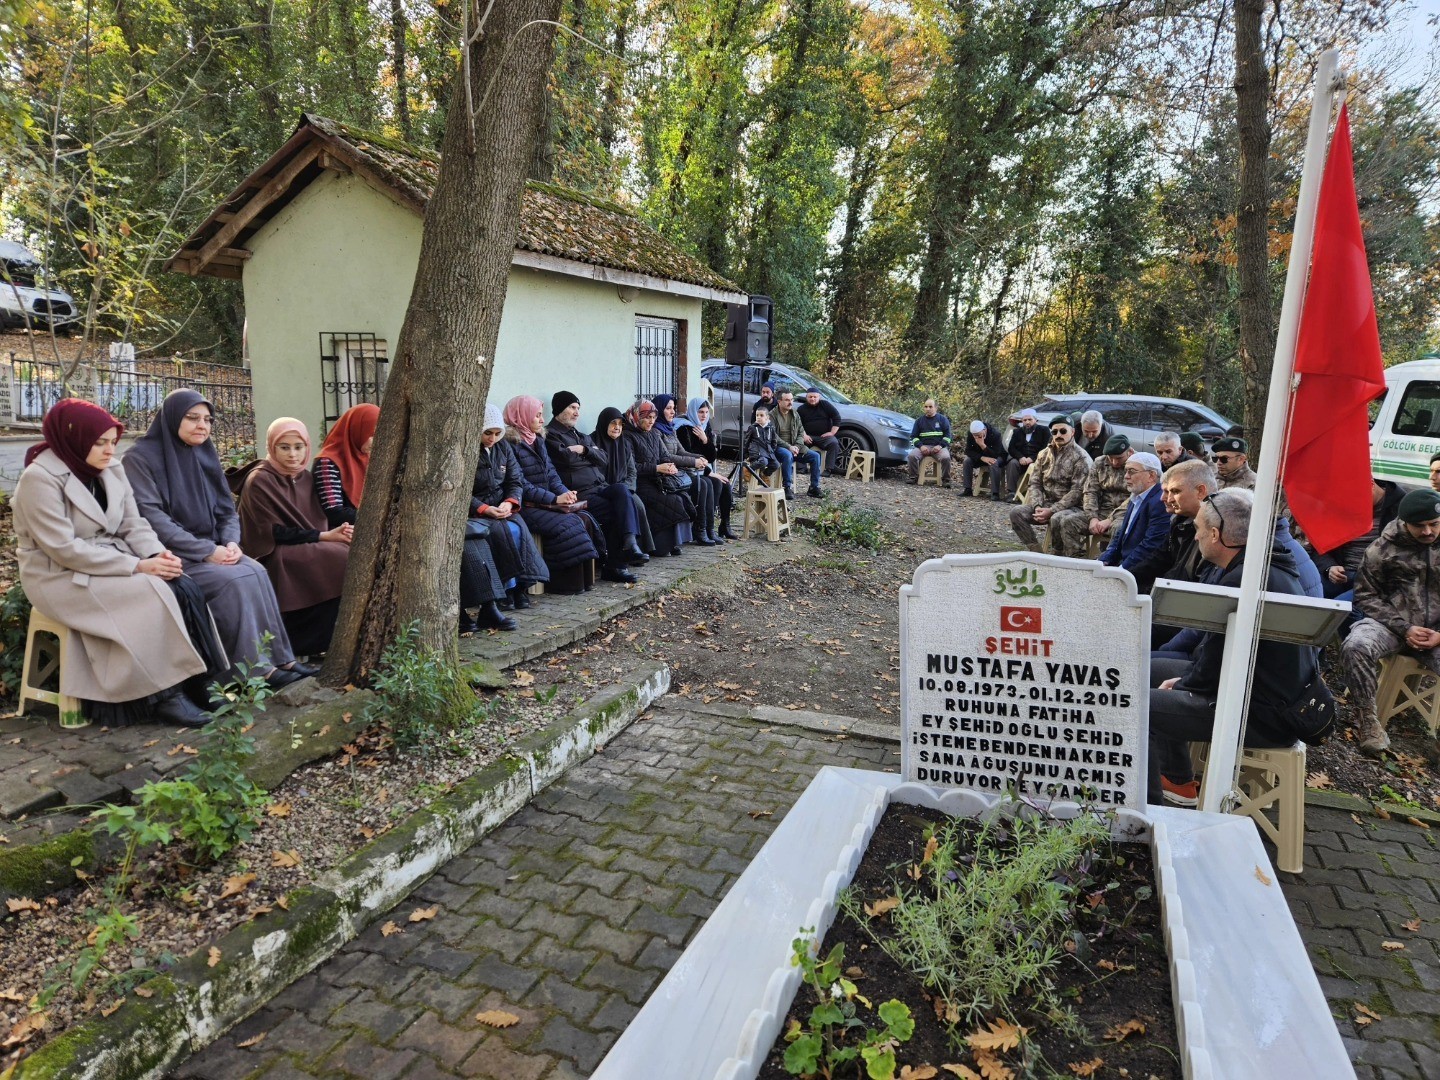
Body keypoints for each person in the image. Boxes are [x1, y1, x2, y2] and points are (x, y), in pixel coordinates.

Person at [12, 399, 224, 727]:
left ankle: (200, 680)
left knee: (182, 584)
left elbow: (132, 524)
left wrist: (156, 554)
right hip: (58, 577)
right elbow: (64, 550)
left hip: (112, 560)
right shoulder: (38, 480)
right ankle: (164, 697)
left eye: (113, 441)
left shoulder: (111, 468)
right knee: (150, 591)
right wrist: (137, 567)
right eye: (99, 442)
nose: (109, 450)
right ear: (74, 438)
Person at [125, 389, 312, 688]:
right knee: (235, 581)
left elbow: (227, 508)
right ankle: (251, 672)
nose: (202, 426)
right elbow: (152, 518)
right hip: (172, 554)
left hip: (216, 548)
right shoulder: (140, 459)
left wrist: (231, 543)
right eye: (193, 418)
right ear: (173, 417)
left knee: (256, 571)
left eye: (208, 419)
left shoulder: (204, 452)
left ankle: (280, 658)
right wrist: (206, 551)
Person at [1147, 489, 1319, 806]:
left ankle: (1149, 813)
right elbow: (1215, 657)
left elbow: (1211, 664)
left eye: (1199, 529)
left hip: (1259, 712)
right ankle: (1179, 781)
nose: (1195, 536)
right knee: (1146, 668)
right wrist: (1186, 681)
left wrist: (1184, 685)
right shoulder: (1261, 565)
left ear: (1215, 534)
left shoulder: (1244, 579)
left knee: (1137, 705)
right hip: (1255, 690)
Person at [237, 418, 351, 656]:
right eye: (284, 447)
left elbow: (319, 517)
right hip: (273, 550)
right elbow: (271, 532)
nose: (293, 455)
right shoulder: (260, 479)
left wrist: (338, 533)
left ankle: (325, 640)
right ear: (271, 447)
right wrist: (323, 537)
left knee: (348, 553)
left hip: (310, 542)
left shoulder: (305, 478)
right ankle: (303, 643)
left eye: (298, 447)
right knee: (337, 558)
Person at [1340, 489, 1440, 757]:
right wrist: (1404, 627)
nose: (1429, 531)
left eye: (1434, 524)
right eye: (1420, 526)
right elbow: (1365, 595)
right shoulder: (1382, 549)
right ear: (1405, 523)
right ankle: (1368, 721)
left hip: (1437, 631)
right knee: (1356, 645)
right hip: (1392, 626)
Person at [503, 395, 606, 592]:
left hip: (545, 502)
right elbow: (520, 484)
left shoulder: (538, 440)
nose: (542, 420)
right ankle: (563, 584)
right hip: (525, 506)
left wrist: (565, 493)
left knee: (583, 518)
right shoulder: (510, 444)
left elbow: (551, 474)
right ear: (521, 416)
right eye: (537, 416)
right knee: (567, 523)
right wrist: (554, 498)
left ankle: (583, 581)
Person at [545, 391, 642, 581]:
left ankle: (630, 542)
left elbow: (603, 459)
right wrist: (591, 456)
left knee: (622, 491)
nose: (577, 413)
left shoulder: (579, 435)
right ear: (559, 410)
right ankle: (617, 565)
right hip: (579, 492)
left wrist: (584, 450)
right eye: (572, 407)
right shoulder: (551, 435)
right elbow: (566, 459)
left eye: (578, 408)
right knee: (617, 509)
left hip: (600, 486)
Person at [471, 403, 550, 608]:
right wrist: (483, 508)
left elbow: (514, 481)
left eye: (498, 433)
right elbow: (461, 492)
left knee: (520, 530)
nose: (492, 439)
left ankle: (520, 586)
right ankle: (506, 588)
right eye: (488, 433)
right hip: (479, 511)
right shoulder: (468, 450)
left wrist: (509, 502)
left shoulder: (503, 446)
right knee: (501, 533)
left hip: (502, 507)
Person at [1008, 415, 1091, 554]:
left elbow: (1077, 491)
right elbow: (1034, 483)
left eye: (1063, 431)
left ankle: (1057, 554)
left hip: (1074, 508)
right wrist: (1038, 506)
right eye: (1054, 432)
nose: (1058, 435)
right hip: (1047, 504)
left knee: (1057, 518)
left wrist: (1052, 510)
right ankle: (1036, 552)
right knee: (1016, 513)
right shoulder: (1043, 454)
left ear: (1073, 432)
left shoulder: (1081, 457)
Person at [623, 399, 695, 556]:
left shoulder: (653, 434)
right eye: (647, 417)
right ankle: (660, 546)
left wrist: (669, 466)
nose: (651, 422)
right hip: (640, 483)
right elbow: (632, 467)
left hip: (657, 480)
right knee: (669, 501)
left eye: (654, 418)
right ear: (636, 416)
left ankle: (672, 542)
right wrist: (656, 468)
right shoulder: (628, 437)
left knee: (680, 497)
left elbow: (664, 456)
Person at [1313, 478, 1402, 600]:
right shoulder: (1340, 505)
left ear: (1371, 484)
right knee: (1306, 595)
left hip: (1376, 581)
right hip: (1341, 574)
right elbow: (1319, 547)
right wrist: (1330, 567)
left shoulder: (1401, 509)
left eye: (1357, 498)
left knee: (1338, 606)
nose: (1354, 504)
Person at [653, 394, 719, 545]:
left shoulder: (669, 428)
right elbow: (667, 456)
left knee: (710, 483)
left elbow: (681, 451)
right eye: (668, 408)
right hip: (667, 475)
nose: (672, 412)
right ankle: (699, 530)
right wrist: (693, 461)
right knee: (703, 484)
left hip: (678, 472)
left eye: (673, 409)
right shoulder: (657, 431)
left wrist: (699, 458)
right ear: (659, 410)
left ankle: (709, 529)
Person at [1098, 452, 1169, 590]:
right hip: (1125, 564)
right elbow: (1122, 534)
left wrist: (1121, 570)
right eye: (1126, 471)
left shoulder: (1159, 502)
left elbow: (1150, 545)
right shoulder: (1136, 496)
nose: (1126, 476)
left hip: (1140, 573)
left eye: (1132, 471)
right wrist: (1103, 560)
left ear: (1151, 475)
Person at [591, 406, 656, 556]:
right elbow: (593, 474)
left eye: (620, 424)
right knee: (628, 504)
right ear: (604, 423)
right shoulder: (592, 442)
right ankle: (629, 551)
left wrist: (627, 488)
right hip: (603, 490)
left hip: (624, 488)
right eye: (613, 423)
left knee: (637, 504)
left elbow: (632, 472)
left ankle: (640, 549)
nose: (617, 428)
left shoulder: (624, 444)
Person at [1053, 434, 1132, 557]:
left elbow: (1135, 498)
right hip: (1101, 510)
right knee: (1068, 521)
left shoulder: (1137, 465)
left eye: (1119, 458)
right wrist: (1092, 517)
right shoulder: (1100, 462)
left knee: (1119, 529)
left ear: (1130, 452)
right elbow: (1090, 491)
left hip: (1124, 514)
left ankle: (1110, 563)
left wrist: (1110, 520)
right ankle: (1076, 561)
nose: (1114, 462)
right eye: (1110, 458)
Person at [675, 397, 736, 540]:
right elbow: (688, 456)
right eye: (700, 412)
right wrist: (711, 473)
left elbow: (712, 457)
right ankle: (706, 527)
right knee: (712, 482)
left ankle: (724, 526)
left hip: (702, 469)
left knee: (725, 484)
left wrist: (705, 440)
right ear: (693, 412)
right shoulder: (683, 428)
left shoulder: (705, 427)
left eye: (706, 412)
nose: (703, 416)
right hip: (689, 471)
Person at [313, 403, 379, 527]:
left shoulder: (366, 458)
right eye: (372, 434)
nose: (375, 441)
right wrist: (378, 517)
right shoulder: (327, 462)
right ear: (356, 429)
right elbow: (334, 512)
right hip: (338, 536)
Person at [772, 390, 823, 499]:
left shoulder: (795, 414)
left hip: (795, 447)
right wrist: (789, 447)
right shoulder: (772, 415)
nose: (790, 402)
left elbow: (801, 431)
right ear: (779, 401)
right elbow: (773, 436)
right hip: (779, 448)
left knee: (815, 456)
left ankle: (814, 487)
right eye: (787, 400)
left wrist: (797, 446)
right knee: (787, 455)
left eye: (791, 399)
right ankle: (787, 488)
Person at [797, 388, 844, 475]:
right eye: (810, 397)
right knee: (798, 442)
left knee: (834, 443)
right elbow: (797, 424)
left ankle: (828, 469)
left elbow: (837, 417)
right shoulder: (801, 409)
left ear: (819, 397)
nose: (812, 399)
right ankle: (801, 468)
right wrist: (804, 435)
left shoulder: (825, 405)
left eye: (815, 397)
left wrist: (832, 433)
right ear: (806, 397)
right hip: (808, 436)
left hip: (824, 437)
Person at [906, 399, 953, 486]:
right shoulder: (919, 421)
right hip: (924, 446)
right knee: (912, 456)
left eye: (930, 407)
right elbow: (914, 437)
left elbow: (948, 436)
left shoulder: (943, 419)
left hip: (939, 447)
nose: (928, 409)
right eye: (926, 406)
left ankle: (946, 480)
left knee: (946, 457)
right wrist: (921, 446)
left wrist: (940, 446)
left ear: (936, 408)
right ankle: (913, 477)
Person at [1005, 409, 1049, 497]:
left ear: (1035, 420)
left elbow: (1046, 448)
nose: (1027, 422)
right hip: (1021, 461)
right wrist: (1020, 457)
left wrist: (1032, 458)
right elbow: (1011, 448)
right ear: (1022, 421)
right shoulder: (1017, 432)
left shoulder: (1044, 430)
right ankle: (1011, 492)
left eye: (1030, 419)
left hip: (1037, 460)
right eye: (1025, 420)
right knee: (1012, 463)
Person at [959, 419, 1006, 498]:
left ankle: (995, 493)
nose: (976, 437)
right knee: (967, 460)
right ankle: (967, 489)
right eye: (974, 435)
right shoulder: (971, 434)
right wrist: (981, 457)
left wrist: (983, 446)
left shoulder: (995, 434)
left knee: (993, 463)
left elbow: (996, 454)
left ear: (984, 430)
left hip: (997, 456)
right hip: (981, 457)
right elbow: (968, 451)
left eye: (978, 435)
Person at [744, 406, 782, 480]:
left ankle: (764, 475)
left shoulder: (771, 428)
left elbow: (774, 441)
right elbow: (746, 441)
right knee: (763, 461)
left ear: (767, 417)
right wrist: (746, 454)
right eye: (757, 415)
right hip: (756, 452)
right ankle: (748, 469)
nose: (758, 417)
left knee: (776, 465)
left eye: (761, 415)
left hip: (768, 452)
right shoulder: (752, 428)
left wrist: (772, 450)